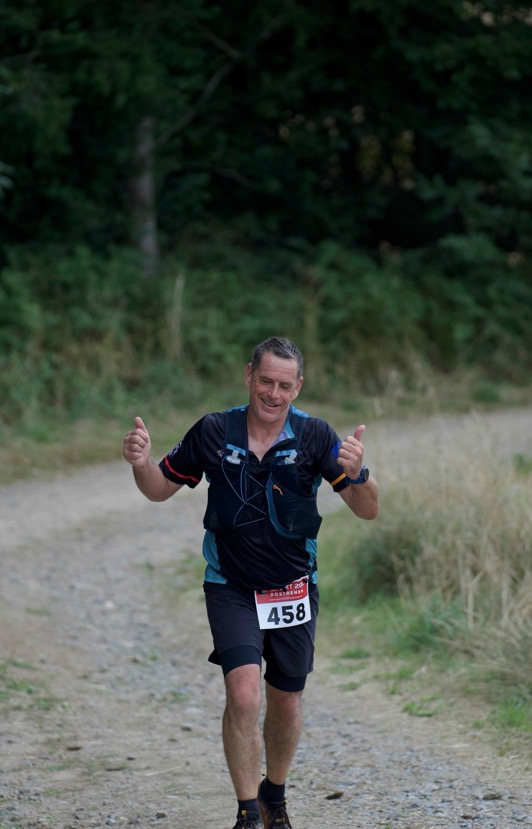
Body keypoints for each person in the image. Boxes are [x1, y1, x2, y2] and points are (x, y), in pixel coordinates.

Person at [122, 336, 380, 829]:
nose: (273, 394)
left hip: (292, 587)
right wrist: (140, 464)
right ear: (248, 376)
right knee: (243, 695)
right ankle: (246, 814)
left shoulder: (314, 436)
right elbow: (159, 489)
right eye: (265, 381)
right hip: (232, 586)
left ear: (298, 387)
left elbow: (367, 510)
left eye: (284, 385)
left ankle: (273, 796)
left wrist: (359, 473)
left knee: (286, 700)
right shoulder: (214, 430)